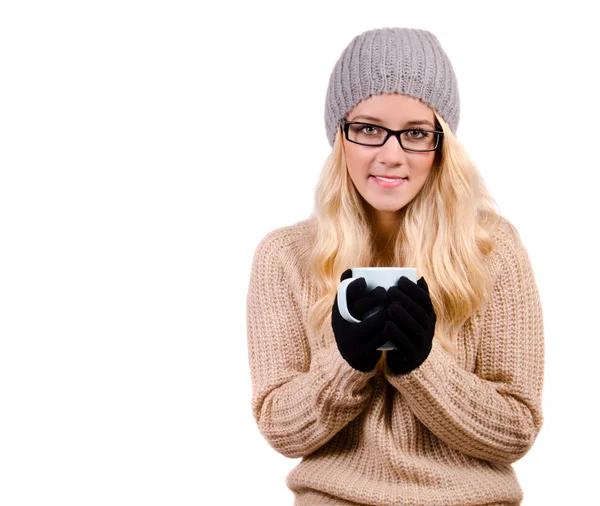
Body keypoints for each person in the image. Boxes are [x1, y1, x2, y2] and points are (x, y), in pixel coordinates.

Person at [246, 27, 544, 506]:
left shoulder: (492, 247)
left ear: (441, 142)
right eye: (367, 129)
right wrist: (347, 365)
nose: (391, 155)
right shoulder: (284, 255)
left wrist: (422, 365)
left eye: (415, 133)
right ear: (339, 135)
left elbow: (516, 430)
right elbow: (282, 430)